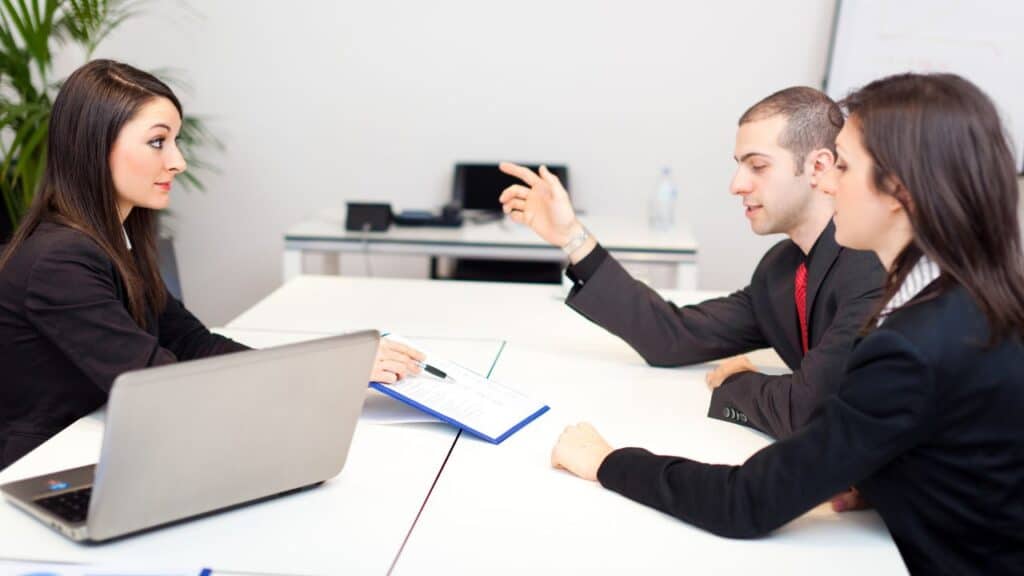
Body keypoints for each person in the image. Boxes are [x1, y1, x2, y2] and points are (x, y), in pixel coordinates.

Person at [549, 73, 1024, 575]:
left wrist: (607, 462)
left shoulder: (912, 344)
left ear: (897, 191)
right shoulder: (970, 302)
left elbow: (749, 502)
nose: (827, 181)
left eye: (841, 165)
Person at [0, 60, 423, 469]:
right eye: (157, 142)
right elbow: (158, 387)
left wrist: (331, 366)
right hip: (39, 473)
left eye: (175, 142)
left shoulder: (115, 244)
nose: (177, 162)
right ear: (93, 148)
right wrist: (327, 374)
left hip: (99, 449)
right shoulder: (61, 262)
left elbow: (196, 346)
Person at [499, 87, 884, 440]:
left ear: (818, 167)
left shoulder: (872, 266)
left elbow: (808, 410)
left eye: (758, 166)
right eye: (739, 165)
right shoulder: (780, 269)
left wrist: (739, 383)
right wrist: (572, 237)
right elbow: (673, 337)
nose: (736, 184)